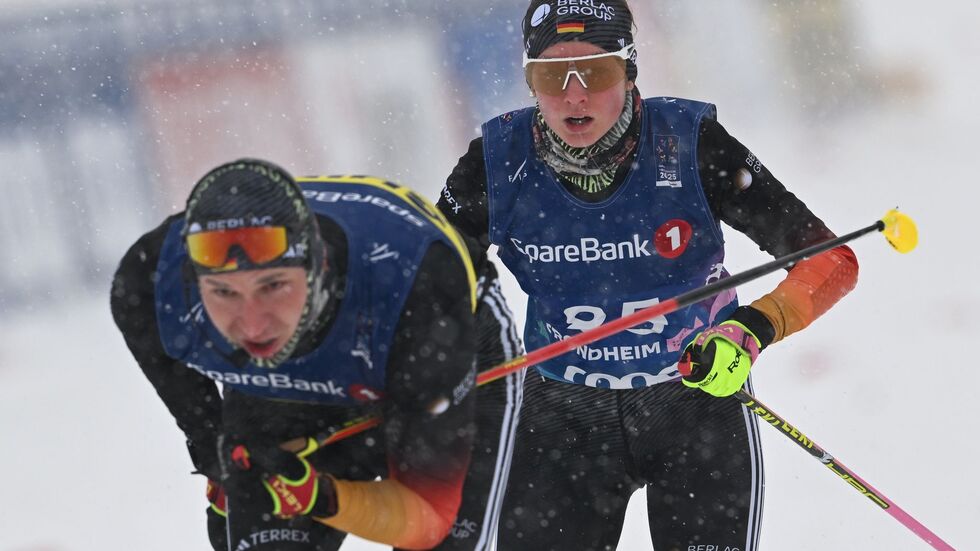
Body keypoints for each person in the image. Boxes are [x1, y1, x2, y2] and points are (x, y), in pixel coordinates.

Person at [435, 1, 860, 550]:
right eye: (549, 76)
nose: (573, 94)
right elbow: (431, 280)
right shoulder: (496, 161)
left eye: (596, 70)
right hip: (561, 419)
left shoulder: (690, 143)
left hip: (692, 405)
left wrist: (750, 329)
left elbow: (830, 259)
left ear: (630, 67)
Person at [110, 159, 522, 551]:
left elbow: (428, 519)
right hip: (289, 378)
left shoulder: (420, 290)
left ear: (317, 268)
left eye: (274, 286)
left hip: (429, 343)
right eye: (223, 293)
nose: (252, 325)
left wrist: (320, 496)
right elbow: (212, 435)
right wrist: (214, 445)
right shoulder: (148, 285)